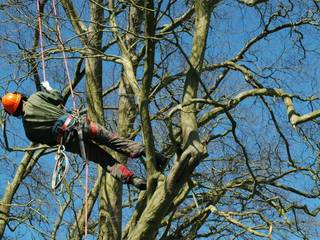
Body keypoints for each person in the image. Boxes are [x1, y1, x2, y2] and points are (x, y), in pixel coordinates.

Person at [1, 81, 167, 190]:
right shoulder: (36, 98)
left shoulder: (28, 131)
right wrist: (49, 88)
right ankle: (152, 154)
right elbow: (58, 97)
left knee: (106, 161)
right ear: (21, 97)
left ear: (14, 114)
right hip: (81, 126)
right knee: (113, 141)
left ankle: (132, 180)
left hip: (72, 143)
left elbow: (51, 142)